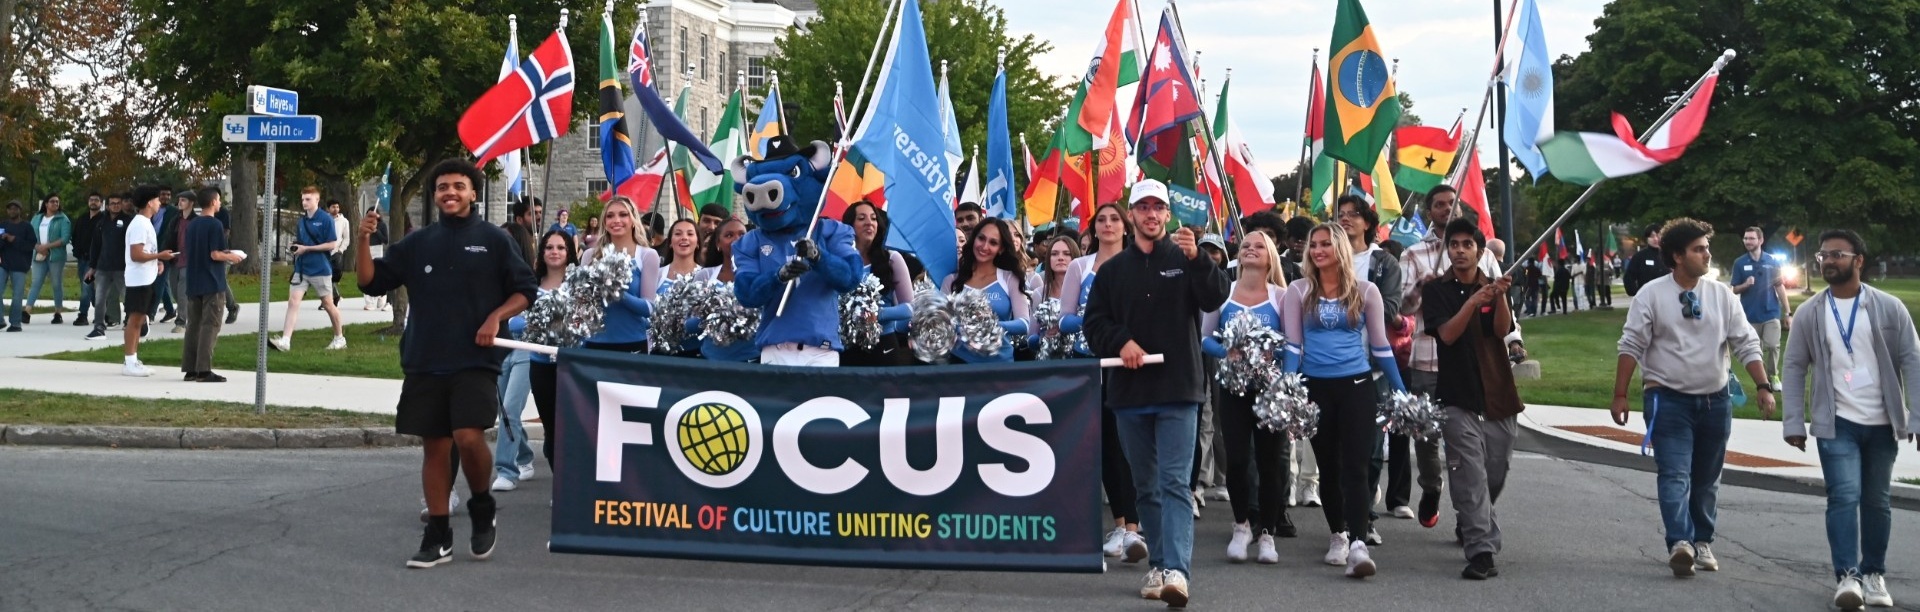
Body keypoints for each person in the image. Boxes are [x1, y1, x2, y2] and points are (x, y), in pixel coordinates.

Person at [355, 158, 537, 569]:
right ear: (434, 195)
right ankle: (438, 533)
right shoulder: (419, 242)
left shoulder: (492, 239)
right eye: (442, 187)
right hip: (424, 359)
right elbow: (370, 280)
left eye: (458, 186)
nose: (450, 193)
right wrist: (363, 241)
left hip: (475, 359)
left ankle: (481, 503)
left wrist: (496, 317)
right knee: (434, 446)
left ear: (473, 193)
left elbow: (525, 290)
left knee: (468, 436)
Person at [1083, 179, 1229, 607]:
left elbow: (1215, 296)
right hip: (1129, 393)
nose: (1150, 214)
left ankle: (1177, 571)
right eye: (1142, 207)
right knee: (1145, 486)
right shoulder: (1110, 271)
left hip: (1179, 388)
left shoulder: (1186, 258)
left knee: (1174, 483)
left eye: (1158, 208)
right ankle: (1161, 564)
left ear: (1168, 215)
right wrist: (1121, 341)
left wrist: (1199, 259)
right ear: (1132, 215)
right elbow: (1094, 324)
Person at [1611, 217, 1773, 578]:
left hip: (1715, 402)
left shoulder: (1721, 295)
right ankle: (1680, 543)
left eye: (1706, 248)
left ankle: (1703, 541)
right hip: (1667, 402)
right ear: (1677, 256)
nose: (1707, 254)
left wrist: (1763, 386)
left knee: (1706, 479)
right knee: (1674, 474)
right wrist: (1620, 395)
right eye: (1699, 249)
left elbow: (1745, 341)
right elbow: (1631, 345)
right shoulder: (1651, 295)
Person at [1781, 229, 1917, 609]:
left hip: (1882, 423)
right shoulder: (1811, 312)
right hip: (1836, 422)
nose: (1827, 260)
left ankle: (1874, 574)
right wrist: (1793, 420)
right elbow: (1793, 367)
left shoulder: (1889, 307)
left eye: (1837, 254)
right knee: (1844, 496)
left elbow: (1912, 359)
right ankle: (1847, 577)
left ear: (1858, 261)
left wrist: (1916, 417)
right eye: (1823, 255)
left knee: (1877, 501)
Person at [1280, 221, 1406, 579]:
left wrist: (1400, 388)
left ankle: (1358, 542)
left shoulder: (1366, 291)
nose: (1318, 251)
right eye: (1313, 245)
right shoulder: (1298, 291)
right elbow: (1292, 345)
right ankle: (1337, 533)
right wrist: (1288, 387)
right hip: (1314, 388)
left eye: (1325, 244)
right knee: (1329, 467)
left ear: (1340, 249)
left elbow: (1381, 346)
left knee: (1356, 466)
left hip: (1357, 386)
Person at [1422, 218, 1522, 580]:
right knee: (1470, 475)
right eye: (1455, 245)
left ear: (1480, 251)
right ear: (1447, 250)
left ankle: (1471, 519)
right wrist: (1472, 303)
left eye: (1467, 245)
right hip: (1456, 393)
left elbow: (1500, 331)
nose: (1460, 251)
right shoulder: (1436, 290)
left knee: (1495, 470)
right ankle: (1481, 549)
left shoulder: (1492, 287)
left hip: (1498, 391)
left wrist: (1499, 297)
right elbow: (1446, 335)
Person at [1199, 230, 1296, 565]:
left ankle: (1267, 532)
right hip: (1234, 388)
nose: (1251, 250)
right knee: (1238, 459)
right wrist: (1229, 349)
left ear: (1270, 255)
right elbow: (1205, 338)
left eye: (1259, 246)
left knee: (1271, 462)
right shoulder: (1223, 293)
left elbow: (1294, 342)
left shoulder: (1282, 296)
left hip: (1271, 390)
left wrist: (1277, 362)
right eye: (1245, 246)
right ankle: (1242, 524)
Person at [1060, 202, 1147, 562]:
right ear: (1092, 228)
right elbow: (1064, 319)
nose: (1108, 225)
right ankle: (1119, 525)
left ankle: (1135, 529)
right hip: (1088, 364)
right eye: (1101, 220)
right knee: (1103, 447)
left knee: (1128, 446)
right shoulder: (1080, 266)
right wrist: (1097, 323)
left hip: (1127, 366)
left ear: (1126, 226)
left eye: (1115, 219)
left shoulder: (1141, 262)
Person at [1393, 185, 1479, 528]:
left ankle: (1468, 513)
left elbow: (1497, 299)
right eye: (1440, 204)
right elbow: (1399, 306)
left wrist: (1514, 339)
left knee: (1465, 443)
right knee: (1426, 437)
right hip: (1428, 360)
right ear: (1431, 211)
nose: (1447, 209)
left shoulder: (1478, 250)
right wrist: (1421, 288)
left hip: (1468, 363)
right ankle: (1431, 486)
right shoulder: (1413, 254)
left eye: (1452, 203)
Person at [1333, 195, 1402, 547]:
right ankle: (1343, 520)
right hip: (1330, 369)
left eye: (1353, 215)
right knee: (1339, 450)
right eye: (1341, 215)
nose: (1346, 220)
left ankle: (1364, 517)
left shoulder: (1383, 264)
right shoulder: (1327, 258)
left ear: (1367, 222)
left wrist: (1344, 302)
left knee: (1371, 450)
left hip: (1371, 368)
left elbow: (1389, 309)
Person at [581, 197, 662, 354]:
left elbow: (649, 308)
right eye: (610, 216)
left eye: (623, 214)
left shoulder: (647, 255)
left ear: (633, 220)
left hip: (632, 343)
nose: (616, 220)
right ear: (604, 222)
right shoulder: (590, 255)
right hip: (593, 343)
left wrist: (617, 292)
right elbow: (581, 304)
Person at [943, 218, 1030, 364]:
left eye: (993, 243)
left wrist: (987, 325)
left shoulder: (1010, 278)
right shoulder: (951, 281)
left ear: (1001, 249)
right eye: (981, 238)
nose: (984, 246)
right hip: (959, 365)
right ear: (973, 239)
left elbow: (1024, 324)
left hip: (1000, 365)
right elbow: (942, 323)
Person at [181, 188, 246, 383]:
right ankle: (204, 370)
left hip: (193, 280)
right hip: (211, 281)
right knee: (210, 324)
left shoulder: (191, 225)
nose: (219, 204)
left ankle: (190, 368)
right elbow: (215, 254)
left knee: (193, 325)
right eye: (218, 200)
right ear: (213, 202)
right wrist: (232, 257)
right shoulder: (215, 225)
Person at [270, 187, 346, 352]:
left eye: (308, 199)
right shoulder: (301, 221)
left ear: (317, 200)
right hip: (302, 269)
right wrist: (296, 247)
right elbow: (301, 242)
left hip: (321, 269)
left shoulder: (326, 219)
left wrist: (308, 249)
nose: (304, 202)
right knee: (293, 301)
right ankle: (285, 340)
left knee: (328, 304)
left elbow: (332, 244)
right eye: (303, 199)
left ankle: (339, 338)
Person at [525, 230, 575, 471]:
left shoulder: (579, 283)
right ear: (542, 253)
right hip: (540, 366)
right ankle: (560, 485)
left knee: (572, 427)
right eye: (549, 248)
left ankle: (573, 482)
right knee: (552, 427)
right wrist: (537, 322)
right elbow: (515, 320)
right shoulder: (530, 285)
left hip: (572, 367)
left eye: (561, 248)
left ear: (569, 253)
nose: (555, 252)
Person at [840, 202, 914, 366]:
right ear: (849, 225)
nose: (869, 223)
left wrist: (875, 315)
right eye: (861, 218)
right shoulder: (839, 261)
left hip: (884, 343)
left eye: (873, 218)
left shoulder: (892, 258)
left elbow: (910, 308)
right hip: (846, 346)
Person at [120, 185, 173, 377]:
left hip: (146, 277)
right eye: (157, 200)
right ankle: (129, 361)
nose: (160, 203)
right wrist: (160, 255)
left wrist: (157, 260)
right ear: (150, 202)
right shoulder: (140, 224)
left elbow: (146, 252)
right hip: (138, 280)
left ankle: (133, 359)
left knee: (141, 319)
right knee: (134, 321)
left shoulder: (145, 223)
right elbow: (136, 254)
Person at [1732, 227, 1792, 388]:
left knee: (1773, 345)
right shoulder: (1740, 262)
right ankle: (1763, 380)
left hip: (1771, 313)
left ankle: (1774, 376)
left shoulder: (1772, 261)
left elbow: (1780, 287)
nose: (1747, 241)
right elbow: (1734, 289)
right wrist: (1745, 285)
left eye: (1751, 238)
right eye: (1745, 238)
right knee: (1755, 351)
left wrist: (1788, 312)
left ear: (1760, 240)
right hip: (1749, 315)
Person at [84, 194, 131, 340]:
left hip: (122, 267)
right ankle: (99, 326)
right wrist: (92, 267)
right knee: (99, 299)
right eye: (112, 203)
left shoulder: (128, 221)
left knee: (128, 297)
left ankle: (132, 322)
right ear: (107, 205)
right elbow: (95, 245)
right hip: (103, 267)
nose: (115, 205)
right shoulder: (101, 222)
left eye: (118, 203)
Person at [27, 195, 71, 324]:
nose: (55, 203)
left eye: (57, 201)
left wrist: (47, 246)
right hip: (38, 255)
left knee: (56, 283)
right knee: (36, 282)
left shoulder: (63, 219)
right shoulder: (37, 218)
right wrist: (38, 247)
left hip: (55, 256)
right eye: (52, 201)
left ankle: (58, 312)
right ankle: (27, 311)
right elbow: (30, 235)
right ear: (46, 204)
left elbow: (65, 238)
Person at [160, 193, 195, 332]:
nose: (180, 202)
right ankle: (189, 313)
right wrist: (163, 255)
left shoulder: (196, 221)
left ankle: (181, 322)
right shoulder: (175, 220)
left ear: (191, 203)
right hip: (175, 260)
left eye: (183, 200)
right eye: (179, 199)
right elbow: (168, 238)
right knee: (175, 290)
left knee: (182, 291)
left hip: (189, 261)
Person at [0, 201, 34, 330]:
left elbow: (30, 245)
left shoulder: (27, 227)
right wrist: (2, 240)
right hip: (3, 263)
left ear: (20, 210)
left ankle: (15, 323)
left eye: (15, 209)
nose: (12, 211)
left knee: (17, 295)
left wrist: (14, 239)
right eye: (10, 209)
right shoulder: (2, 225)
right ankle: (0, 320)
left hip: (20, 265)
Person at [71, 193, 104, 327]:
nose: (93, 202)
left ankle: (83, 315)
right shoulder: (82, 219)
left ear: (101, 203)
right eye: (91, 200)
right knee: (89, 288)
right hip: (82, 259)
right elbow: (75, 236)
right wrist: (76, 251)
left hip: (95, 261)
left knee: (86, 286)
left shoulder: (103, 219)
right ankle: (101, 312)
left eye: (96, 200)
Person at [1623, 223, 1669, 297]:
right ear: (1647, 239)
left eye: (1658, 235)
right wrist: (1636, 293)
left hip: (1667, 296)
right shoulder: (1640, 256)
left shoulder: (1670, 254)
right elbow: (1629, 277)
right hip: (1647, 297)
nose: (1655, 239)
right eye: (1652, 236)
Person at [326, 200, 353, 309]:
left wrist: (340, 250)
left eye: (337, 207)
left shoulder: (344, 221)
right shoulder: (324, 220)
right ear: (328, 208)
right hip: (324, 251)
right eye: (333, 207)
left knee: (332, 276)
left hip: (336, 252)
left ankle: (331, 298)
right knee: (325, 276)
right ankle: (332, 297)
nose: (336, 209)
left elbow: (346, 238)